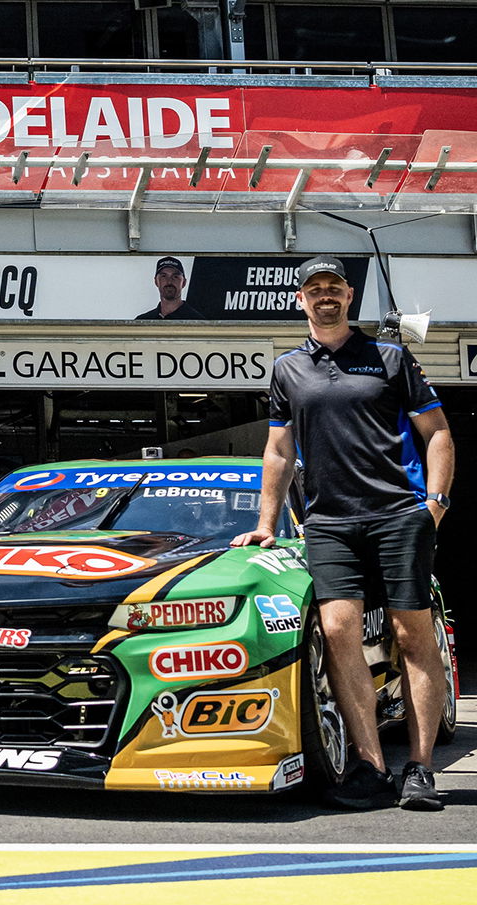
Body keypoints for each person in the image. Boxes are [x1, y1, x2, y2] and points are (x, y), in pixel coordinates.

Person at [231, 254, 454, 811]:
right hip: (329, 522)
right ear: (300, 300)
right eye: (314, 289)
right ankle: (371, 766)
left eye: (334, 287)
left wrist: (435, 505)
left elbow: (439, 433)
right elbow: (279, 450)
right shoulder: (287, 369)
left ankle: (421, 769)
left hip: (399, 514)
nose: (325, 296)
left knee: (411, 636)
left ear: (349, 296)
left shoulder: (391, 357)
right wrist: (264, 524)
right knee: (337, 631)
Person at [135, 255, 205, 320]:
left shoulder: (197, 321)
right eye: (163, 276)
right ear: (156, 282)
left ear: (184, 282)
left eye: (175, 276)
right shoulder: (143, 321)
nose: (169, 281)